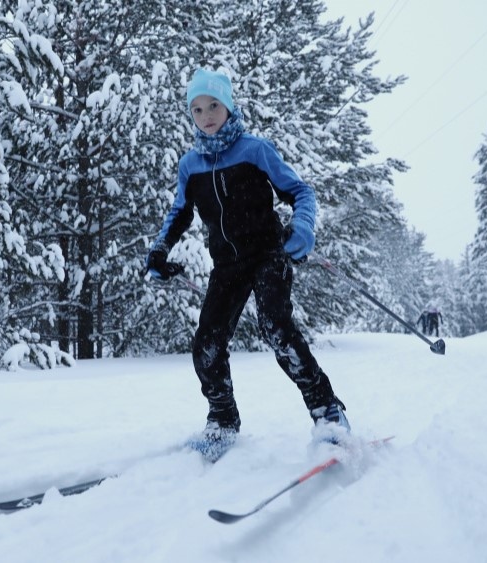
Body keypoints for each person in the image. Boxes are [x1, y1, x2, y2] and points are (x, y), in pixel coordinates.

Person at [144, 68, 349, 461]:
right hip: (227, 265)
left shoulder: (255, 150)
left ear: (228, 106)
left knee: (277, 328)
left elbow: (301, 192)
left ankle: (329, 414)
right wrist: (159, 251)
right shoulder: (191, 165)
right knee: (206, 343)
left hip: (269, 254)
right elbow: (179, 213)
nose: (206, 115)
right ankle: (222, 421)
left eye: (214, 105)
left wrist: (302, 228)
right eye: (198, 109)